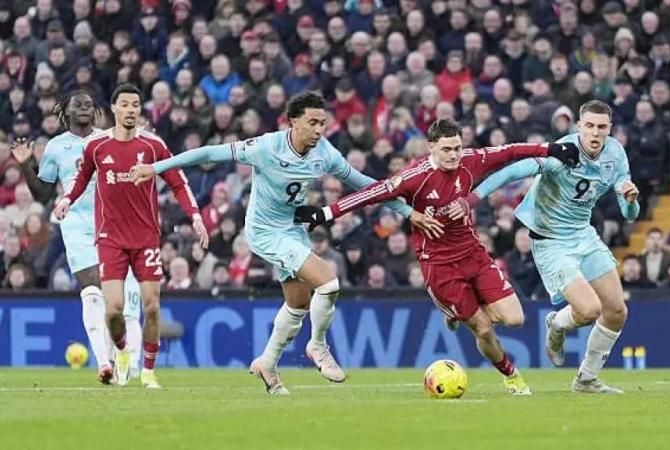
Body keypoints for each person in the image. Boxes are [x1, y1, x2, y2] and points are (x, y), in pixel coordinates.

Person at [130, 91, 440, 395]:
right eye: (312, 122)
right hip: (264, 231)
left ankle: (267, 364)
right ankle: (318, 346)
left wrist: (407, 211)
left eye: (323, 123)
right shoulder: (266, 147)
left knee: (298, 303)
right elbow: (209, 153)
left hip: (293, 229)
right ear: (293, 122)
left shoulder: (325, 153)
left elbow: (368, 186)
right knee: (328, 282)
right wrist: (155, 168)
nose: (319, 130)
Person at [294, 118, 581, 395]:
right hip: (439, 265)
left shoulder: (470, 161)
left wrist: (550, 148)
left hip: (473, 254)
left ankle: (456, 312)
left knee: (515, 319)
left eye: (457, 148)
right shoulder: (415, 176)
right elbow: (374, 192)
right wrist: (325, 213)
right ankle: (511, 376)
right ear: (431, 146)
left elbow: (509, 151)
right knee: (483, 329)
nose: (453, 155)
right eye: (446, 149)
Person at [470, 100, 640, 394]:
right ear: (579, 126)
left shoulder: (615, 153)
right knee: (589, 310)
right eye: (589, 126)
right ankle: (557, 324)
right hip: (551, 241)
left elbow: (629, 214)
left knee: (616, 311)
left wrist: (631, 200)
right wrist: (473, 198)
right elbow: (513, 171)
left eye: (601, 127)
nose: (595, 133)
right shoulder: (562, 153)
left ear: (610, 129)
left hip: (583, 235)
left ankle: (586, 380)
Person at [53, 84, 208, 389]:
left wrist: (196, 216)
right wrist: (67, 200)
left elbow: (178, 182)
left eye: (135, 105)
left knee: (151, 307)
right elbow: (81, 178)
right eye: (124, 104)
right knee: (113, 310)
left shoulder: (152, 145)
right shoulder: (97, 146)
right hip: (110, 239)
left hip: (146, 238)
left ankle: (148, 372)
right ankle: (122, 351)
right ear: (114, 109)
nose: (130, 110)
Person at [11, 90, 143, 384]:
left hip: (113, 222)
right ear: (66, 111)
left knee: (115, 296)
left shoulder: (110, 139)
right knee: (92, 290)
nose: (84, 108)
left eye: (88, 104)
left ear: (95, 111)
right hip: (76, 225)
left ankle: (121, 356)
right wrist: (25, 164)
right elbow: (43, 193)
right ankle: (104, 362)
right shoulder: (57, 147)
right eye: (77, 104)